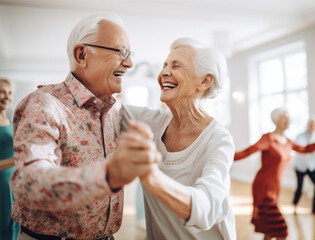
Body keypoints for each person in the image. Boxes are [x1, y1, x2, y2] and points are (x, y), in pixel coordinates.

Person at [10, 13, 159, 240]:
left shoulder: (114, 111)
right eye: (121, 52)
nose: (129, 63)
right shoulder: (45, 104)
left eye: (129, 54)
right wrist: (109, 175)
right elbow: (29, 184)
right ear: (82, 55)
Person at [127, 38, 236, 239]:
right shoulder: (154, 122)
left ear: (204, 81)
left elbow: (207, 205)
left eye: (176, 66)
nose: (164, 73)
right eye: (165, 65)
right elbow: (108, 107)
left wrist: (151, 177)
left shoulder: (219, 140)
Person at [233, 108, 315, 240]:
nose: (288, 120)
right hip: (263, 188)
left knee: (269, 230)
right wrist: (227, 155)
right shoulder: (268, 138)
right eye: (284, 117)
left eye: (289, 117)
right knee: (282, 230)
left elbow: (304, 149)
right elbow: (248, 151)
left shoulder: (288, 141)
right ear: (276, 120)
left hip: (275, 188)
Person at [0, 78, 20, 240]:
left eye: (9, 92)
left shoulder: (9, 118)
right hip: (0, 186)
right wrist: (18, 159)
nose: (6, 96)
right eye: (1, 91)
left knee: (14, 226)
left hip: (13, 184)